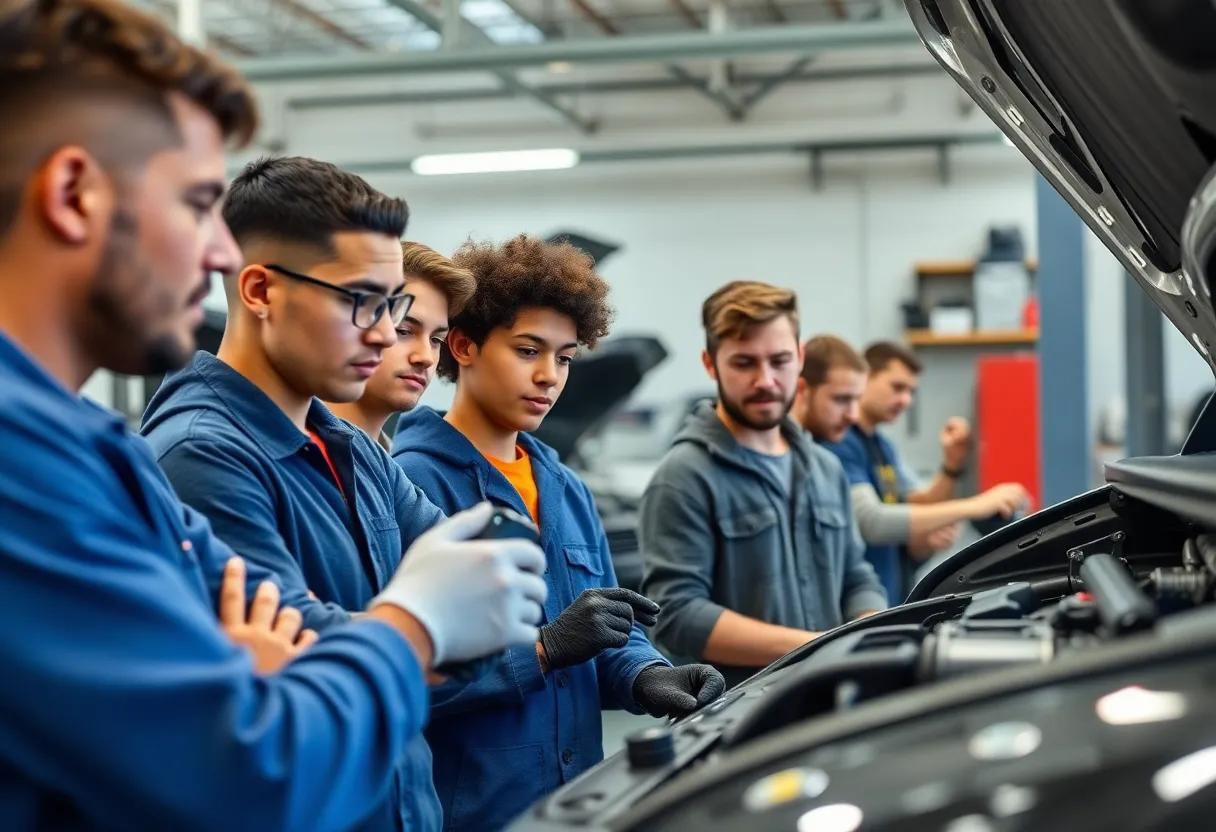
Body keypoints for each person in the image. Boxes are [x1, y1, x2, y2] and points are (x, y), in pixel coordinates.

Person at [0, 2, 547, 827]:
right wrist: (411, 624)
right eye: (193, 205)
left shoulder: (93, 449)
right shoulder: (27, 463)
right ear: (75, 194)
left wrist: (302, 676)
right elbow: (255, 767)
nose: (219, 252)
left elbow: (272, 689)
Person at [140, 157, 472, 832]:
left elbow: (489, 570)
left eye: (395, 307)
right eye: (363, 302)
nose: (384, 333)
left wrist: (399, 634)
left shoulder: (350, 447)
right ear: (260, 290)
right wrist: (427, 625)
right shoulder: (199, 454)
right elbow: (306, 669)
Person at [391, 234, 725, 832]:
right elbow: (403, 676)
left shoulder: (563, 486)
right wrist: (542, 650)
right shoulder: (412, 484)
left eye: (565, 357)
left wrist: (647, 676)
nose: (549, 375)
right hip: (474, 811)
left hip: (579, 804)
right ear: (463, 346)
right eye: (527, 350)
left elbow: (601, 632)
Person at [638, 281, 888, 690]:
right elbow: (677, 614)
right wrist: (820, 647)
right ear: (710, 364)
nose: (766, 380)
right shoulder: (683, 477)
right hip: (744, 719)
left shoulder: (825, 468)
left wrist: (872, 632)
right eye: (744, 363)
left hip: (830, 699)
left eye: (780, 360)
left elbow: (857, 577)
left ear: (800, 359)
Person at [818, 340, 1030, 603]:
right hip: (853, 603)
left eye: (911, 391)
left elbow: (918, 502)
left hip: (887, 595)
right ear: (866, 378)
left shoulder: (882, 446)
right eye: (897, 387)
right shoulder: (841, 442)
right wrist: (976, 506)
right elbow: (872, 521)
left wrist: (951, 466)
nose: (906, 400)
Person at [326, 241, 474, 451]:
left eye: (436, 340)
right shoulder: (301, 457)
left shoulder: (391, 469)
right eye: (403, 331)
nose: (426, 358)